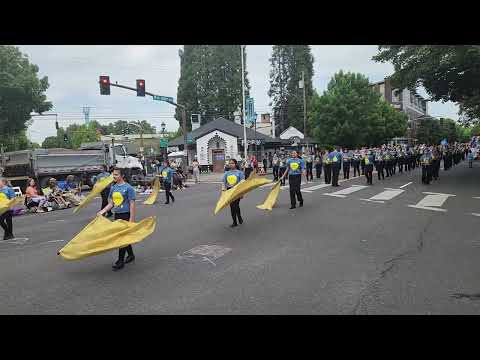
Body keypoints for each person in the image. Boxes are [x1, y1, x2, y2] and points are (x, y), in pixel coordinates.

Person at [97, 168, 136, 271]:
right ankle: (131, 255)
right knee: (124, 237)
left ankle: (120, 261)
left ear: (122, 176)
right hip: (117, 215)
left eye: (116, 175)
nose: (114, 176)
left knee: (121, 238)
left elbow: (132, 204)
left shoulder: (128, 188)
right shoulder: (113, 188)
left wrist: (131, 219)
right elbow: (111, 203)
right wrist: (102, 211)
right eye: (113, 175)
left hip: (126, 215)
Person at [222, 159, 245, 227]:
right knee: (232, 206)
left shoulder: (239, 173)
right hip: (229, 191)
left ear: (235, 164)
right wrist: (223, 191)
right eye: (230, 163)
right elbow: (224, 182)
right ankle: (234, 222)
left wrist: (242, 193)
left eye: (232, 163)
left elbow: (243, 183)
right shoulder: (227, 173)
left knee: (236, 205)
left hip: (237, 191)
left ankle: (239, 217)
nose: (231, 164)